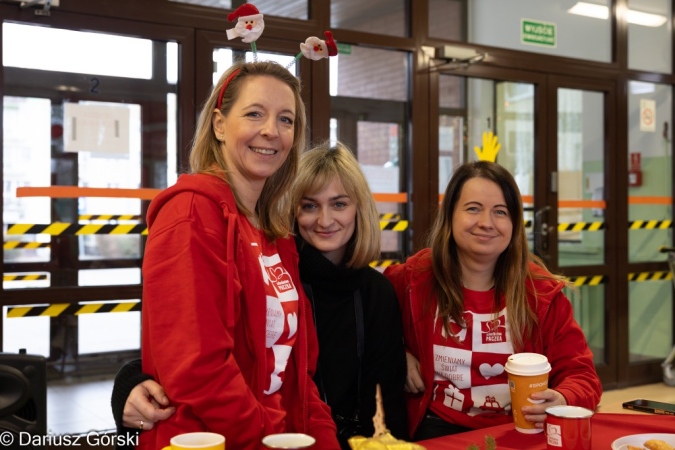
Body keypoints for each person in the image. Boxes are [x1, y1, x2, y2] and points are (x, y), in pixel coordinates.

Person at [111, 143, 408, 450]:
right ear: (290, 209)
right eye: (308, 206)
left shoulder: (376, 293)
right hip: (262, 437)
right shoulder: (271, 272)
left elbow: (387, 407)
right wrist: (129, 382)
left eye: (339, 204)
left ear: (360, 208)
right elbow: (194, 349)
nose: (324, 220)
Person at [130, 60, 340, 450]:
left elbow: (293, 370)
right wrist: (268, 439)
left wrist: (322, 440)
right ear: (219, 124)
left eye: (286, 119)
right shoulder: (191, 212)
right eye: (255, 113)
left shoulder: (274, 232)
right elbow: (196, 368)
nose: (271, 131)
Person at [383, 161, 602, 441]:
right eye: (473, 208)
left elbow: (582, 374)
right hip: (436, 432)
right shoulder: (412, 280)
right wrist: (396, 353)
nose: (486, 222)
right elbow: (363, 325)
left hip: (521, 432)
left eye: (500, 212)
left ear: (514, 225)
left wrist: (562, 398)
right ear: (449, 216)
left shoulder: (542, 294)